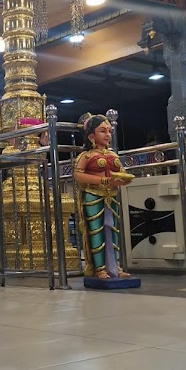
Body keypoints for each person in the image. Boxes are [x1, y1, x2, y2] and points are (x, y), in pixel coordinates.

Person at [73, 113, 134, 280]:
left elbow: (122, 172)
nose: (107, 135)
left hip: (111, 196)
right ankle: (99, 268)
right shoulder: (86, 156)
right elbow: (78, 175)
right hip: (93, 196)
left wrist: (124, 180)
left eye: (109, 131)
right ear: (91, 136)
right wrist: (103, 180)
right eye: (103, 131)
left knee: (113, 231)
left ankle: (115, 266)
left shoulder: (113, 155)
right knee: (96, 231)